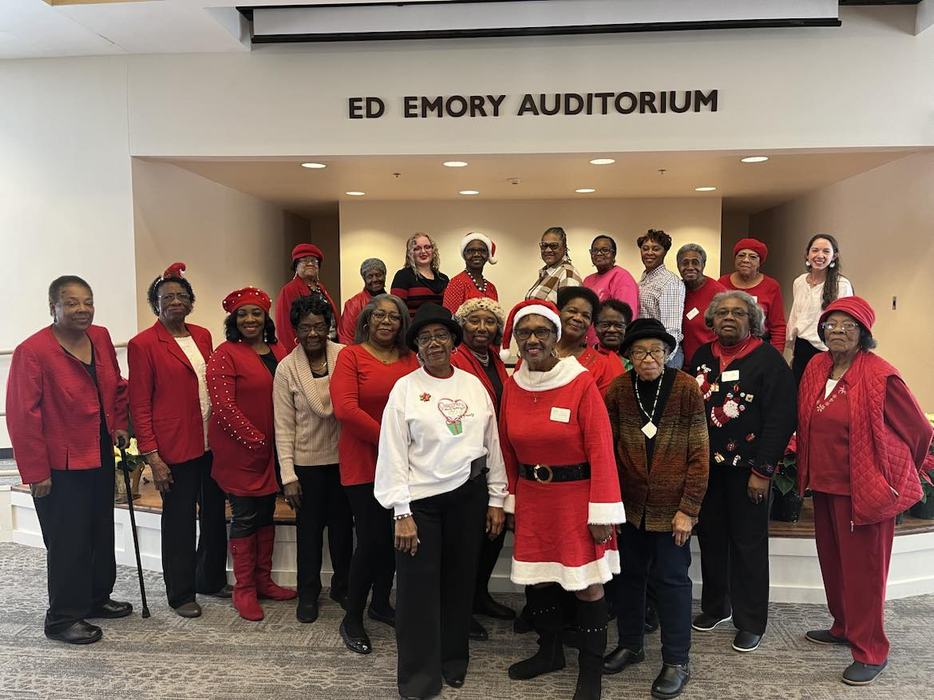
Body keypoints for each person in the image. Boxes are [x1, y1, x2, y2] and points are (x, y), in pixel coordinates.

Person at [796, 296, 933, 686]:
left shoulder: (880, 375)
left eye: (848, 325)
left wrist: (897, 470)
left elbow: (920, 431)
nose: (837, 331)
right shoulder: (817, 366)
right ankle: (843, 627)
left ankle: (871, 650)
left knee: (865, 574)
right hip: (824, 485)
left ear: (864, 334)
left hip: (866, 491)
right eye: (831, 325)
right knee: (835, 564)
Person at [375, 303, 508, 698]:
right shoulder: (405, 389)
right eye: (425, 338)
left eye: (441, 336)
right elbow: (393, 453)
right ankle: (418, 678)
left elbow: (492, 445)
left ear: (454, 340)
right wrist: (401, 511)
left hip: (468, 497)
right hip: (420, 504)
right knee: (417, 593)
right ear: (416, 346)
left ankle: (453, 660)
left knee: (459, 583)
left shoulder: (472, 386)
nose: (434, 343)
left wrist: (497, 497)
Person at [499, 299, 626, 700]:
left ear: (557, 336)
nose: (532, 339)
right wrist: (511, 500)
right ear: (516, 340)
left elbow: (602, 448)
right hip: (534, 499)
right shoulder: (513, 386)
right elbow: (506, 450)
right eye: (524, 332)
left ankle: (591, 675)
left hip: (577, 499)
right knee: (539, 583)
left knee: (587, 586)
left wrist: (602, 511)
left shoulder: (580, 382)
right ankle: (549, 651)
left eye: (541, 332)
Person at [6, 275, 132, 644]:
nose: (82, 309)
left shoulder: (102, 337)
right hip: (59, 465)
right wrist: (35, 471)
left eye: (88, 302)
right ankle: (62, 619)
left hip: (99, 453)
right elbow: (21, 415)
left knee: (99, 533)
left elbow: (117, 385)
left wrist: (120, 423)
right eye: (72, 303)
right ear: (53, 308)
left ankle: (95, 598)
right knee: (69, 541)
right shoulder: (33, 351)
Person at [603, 318, 709, 699]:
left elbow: (699, 452)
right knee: (628, 579)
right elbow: (605, 452)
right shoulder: (616, 389)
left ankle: (677, 660)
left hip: (672, 510)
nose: (649, 358)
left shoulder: (685, 389)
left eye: (656, 351)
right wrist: (609, 507)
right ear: (629, 356)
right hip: (629, 509)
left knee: (671, 583)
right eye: (640, 351)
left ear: (668, 354)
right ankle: (631, 645)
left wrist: (689, 508)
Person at [690, 291, 796, 653]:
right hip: (707, 469)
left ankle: (751, 621)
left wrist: (763, 472)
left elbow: (781, 420)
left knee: (748, 545)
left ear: (752, 321)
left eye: (738, 313)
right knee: (712, 539)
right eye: (722, 313)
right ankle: (716, 606)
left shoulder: (768, 360)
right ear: (712, 320)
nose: (729, 318)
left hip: (749, 470)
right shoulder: (702, 357)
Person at [127, 262, 228, 619]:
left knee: (214, 513)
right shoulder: (143, 345)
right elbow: (139, 403)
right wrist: (152, 456)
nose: (175, 301)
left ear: (191, 302)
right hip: (173, 447)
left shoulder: (202, 335)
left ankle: (209, 578)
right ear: (155, 304)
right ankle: (181, 593)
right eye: (166, 296)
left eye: (181, 295)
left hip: (210, 442)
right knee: (180, 520)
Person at [330, 294, 420, 654]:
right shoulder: (350, 356)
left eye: (394, 317)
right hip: (364, 461)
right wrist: (392, 440)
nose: (386, 321)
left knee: (394, 541)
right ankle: (352, 616)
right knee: (370, 542)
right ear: (366, 320)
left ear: (402, 324)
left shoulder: (411, 359)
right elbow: (346, 409)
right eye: (379, 315)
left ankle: (381, 603)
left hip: (406, 464)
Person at [207, 286, 295, 621]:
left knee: (266, 513)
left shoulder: (278, 349)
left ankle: (263, 580)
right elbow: (224, 407)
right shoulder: (224, 353)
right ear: (233, 319)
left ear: (265, 317)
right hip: (241, 451)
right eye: (242, 314)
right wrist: (255, 439)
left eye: (255, 313)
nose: (249, 319)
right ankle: (244, 589)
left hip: (273, 450)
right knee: (244, 516)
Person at [274, 295, 353, 623]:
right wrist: (288, 475)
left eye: (319, 326)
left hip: (344, 462)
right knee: (309, 535)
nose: (313, 333)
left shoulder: (345, 357)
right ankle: (308, 593)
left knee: (343, 532)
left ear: (329, 327)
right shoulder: (287, 368)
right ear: (296, 329)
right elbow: (283, 426)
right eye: (306, 327)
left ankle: (343, 586)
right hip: (306, 465)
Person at [451, 298, 515, 638]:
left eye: (489, 322)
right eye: (474, 321)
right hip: (467, 461)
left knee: (493, 533)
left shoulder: (495, 360)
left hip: (496, 457)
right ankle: (461, 606)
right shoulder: (454, 359)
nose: (481, 328)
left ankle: (479, 595)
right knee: (470, 540)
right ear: (462, 324)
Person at [785, 234, 853, 384]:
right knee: (798, 396)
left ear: (834, 256)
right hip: (801, 347)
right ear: (807, 254)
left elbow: (845, 322)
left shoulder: (842, 285)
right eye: (815, 250)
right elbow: (796, 316)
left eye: (826, 252)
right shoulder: (799, 282)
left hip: (826, 349)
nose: (819, 255)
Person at [718, 238, 786, 354]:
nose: (746, 260)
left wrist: (775, 355)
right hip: (727, 345)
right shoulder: (721, 283)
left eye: (753, 257)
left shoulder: (771, 286)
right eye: (741, 255)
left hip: (760, 346)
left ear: (760, 262)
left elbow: (778, 326)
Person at [555, 286, 625, 395]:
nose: (578, 318)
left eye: (586, 316)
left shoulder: (601, 365)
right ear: (558, 312)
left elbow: (603, 409)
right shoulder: (539, 351)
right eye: (572, 311)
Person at [275, 243, 340, 350]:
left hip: (328, 346)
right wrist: (296, 354)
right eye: (304, 260)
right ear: (296, 266)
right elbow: (285, 328)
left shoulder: (321, 288)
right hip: (307, 349)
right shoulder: (289, 290)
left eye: (314, 261)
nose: (310, 263)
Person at [636, 229, 685, 369]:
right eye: (645, 248)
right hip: (647, 352)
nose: (649, 253)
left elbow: (672, 329)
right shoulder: (645, 279)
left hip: (664, 357)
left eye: (656, 249)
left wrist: (662, 361)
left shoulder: (670, 282)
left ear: (665, 252)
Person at [583, 234, 639, 345]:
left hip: (610, 345)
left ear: (614, 254)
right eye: (595, 250)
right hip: (588, 344)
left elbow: (626, 318)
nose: (599, 253)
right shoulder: (587, 280)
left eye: (605, 250)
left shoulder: (622, 277)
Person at [676, 243, 726, 368]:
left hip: (709, 363)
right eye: (685, 263)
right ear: (678, 266)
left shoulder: (719, 293)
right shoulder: (676, 290)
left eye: (695, 262)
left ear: (703, 265)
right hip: (682, 364)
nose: (690, 267)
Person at [391, 233, 450, 317]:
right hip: (412, 329)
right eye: (417, 249)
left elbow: (448, 309)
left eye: (427, 247)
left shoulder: (443, 279)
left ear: (433, 250)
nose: (423, 251)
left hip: (439, 328)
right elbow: (396, 310)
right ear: (411, 253)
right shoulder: (403, 276)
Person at [442, 232, 499, 312]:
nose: (476, 254)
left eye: (482, 250)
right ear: (464, 254)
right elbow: (449, 318)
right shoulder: (456, 283)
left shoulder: (491, 288)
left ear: (488, 255)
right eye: (471, 251)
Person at [525, 226, 583, 302]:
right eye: (544, 245)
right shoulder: (547, 273)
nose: (548, 250)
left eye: (554, 246)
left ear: (564, 248)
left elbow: (569, 310)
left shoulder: (567, 273)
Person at [338, 257, 387, 345]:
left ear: (384, 275)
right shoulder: (353, 304)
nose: (375, 279)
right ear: (364, 279)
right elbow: (346, 338)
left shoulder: (392, 302)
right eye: (370, 276)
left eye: (378, 275)